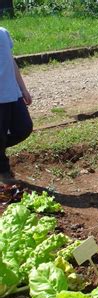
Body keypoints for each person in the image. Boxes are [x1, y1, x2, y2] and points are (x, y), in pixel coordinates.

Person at [0, 27, 33, 185]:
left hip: (13, 93)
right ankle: (3, 171)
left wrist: (23, 87)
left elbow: (11, 61)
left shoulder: (3, 32)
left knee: (24, 128)